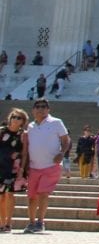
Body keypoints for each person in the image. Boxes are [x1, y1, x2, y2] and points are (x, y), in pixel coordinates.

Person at [21, 99, 69, 233]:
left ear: (48, 109)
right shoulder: (30, 126)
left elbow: (66, 140)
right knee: (31, 197)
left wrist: (62, 153)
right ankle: (31, 222)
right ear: (33, 110)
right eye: (37, 106)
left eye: (44, 106)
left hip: (51, 165)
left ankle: (40, 222)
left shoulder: (56, 122)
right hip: (33, 166)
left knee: (43, 193)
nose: (40, 109)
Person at [0, 107, 28, 233]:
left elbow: (25, 153)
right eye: (13, 117)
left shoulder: (23, 134)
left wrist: (22, 168)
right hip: (0, 165)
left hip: (13, 167)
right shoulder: (1, 131)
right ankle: (1, 222)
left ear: (23, 121)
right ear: (9, 118)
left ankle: (8, 223)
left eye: (19, 117)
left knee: (10, 194)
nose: (15, 119)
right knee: (0, 196)